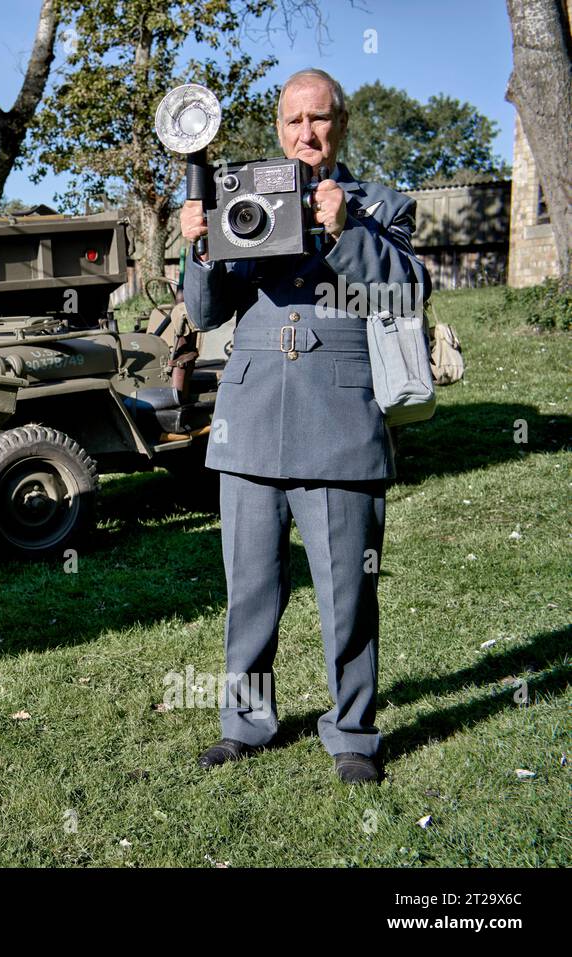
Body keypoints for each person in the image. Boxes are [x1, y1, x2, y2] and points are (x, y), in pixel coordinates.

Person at [179, 68, 431, 783]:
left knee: (348, 592)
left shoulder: (381, 205)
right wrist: (198, 246)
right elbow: (204, 313)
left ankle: (352, 733)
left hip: (341, 420)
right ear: (278, 128)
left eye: (318, 120)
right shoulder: (243, 198)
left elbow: (404, 290)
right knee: (250, 589)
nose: (306, 133)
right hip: (252, 419)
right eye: (293, 121)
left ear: (340, 125)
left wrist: (344, 229)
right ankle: (245, 723)